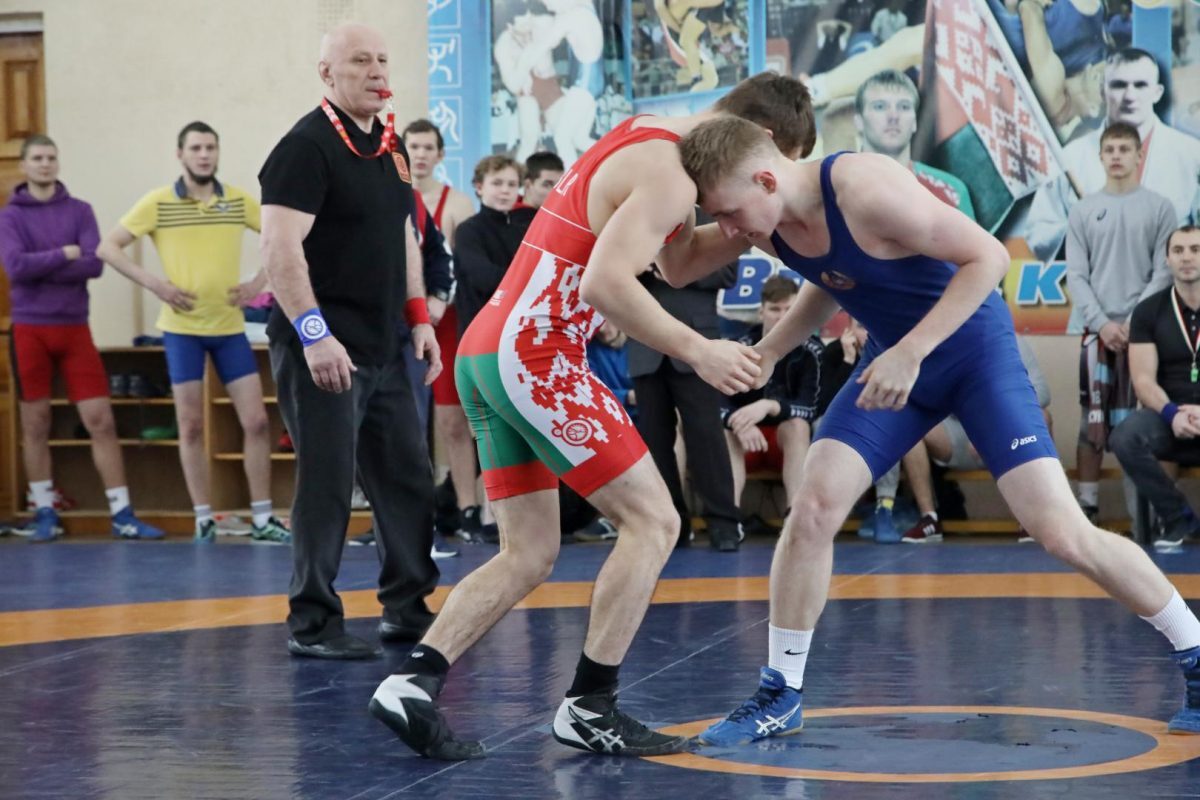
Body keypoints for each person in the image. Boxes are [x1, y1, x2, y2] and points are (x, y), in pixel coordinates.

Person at [675, 116, 1200, 745]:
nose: (729, 231)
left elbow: (989, 257)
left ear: (766, 179)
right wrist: (769, 350)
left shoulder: (865, 187)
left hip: (973, 358)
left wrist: (912, 350)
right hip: (896, 366)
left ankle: (1195, 649)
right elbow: (826, 279)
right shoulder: (769, 220)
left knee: (1062, 532)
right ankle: (781, 691)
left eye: (729, 213)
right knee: (812, 507)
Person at [368, 71, 817, 760]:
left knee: (528, 553)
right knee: (655, 521)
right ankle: (590, 704)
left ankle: (412, 683)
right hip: (536, 353)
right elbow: (604, 283)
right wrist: (699, 349)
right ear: (759, 137)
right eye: (772, 170)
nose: (767, 185)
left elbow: (675, 265)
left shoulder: (649, 139)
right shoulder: (670, 174)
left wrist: (762, 220)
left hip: (489, 351)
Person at [257, 23, 442, 659]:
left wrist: (419, 317)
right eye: (360, 60)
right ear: (327, 73)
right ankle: (312, 623)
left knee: (407, 478)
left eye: (382, 59)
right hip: (323, 347)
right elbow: (279, 249)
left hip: (384, 343)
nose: (376, 70)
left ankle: (407, 607)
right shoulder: (304, 148)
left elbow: (404, 236)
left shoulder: (391, 146)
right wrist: (315, 336)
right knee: (328, 482)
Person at [97, 122, 289, 544]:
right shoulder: (159, 203)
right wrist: (156, 285)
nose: (204, 155)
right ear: (180, 154)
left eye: (210, 148)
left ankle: (261, 519)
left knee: (257, 422)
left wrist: (259, 283)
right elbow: (107, 248)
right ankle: (204, 518)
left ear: (217, 153)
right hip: (182, 331)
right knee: (190, 425)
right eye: (196, 148)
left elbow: (283, 236)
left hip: (229, 329)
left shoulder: (236, 201)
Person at [0, 135, 164, 542]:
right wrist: (64, 254)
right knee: (35, 423)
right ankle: (44, 513)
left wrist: (51, 263)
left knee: (100, 420)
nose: (45, 164)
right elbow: (16, 268)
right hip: (30, 329)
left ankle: (122, 514)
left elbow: (93, 265)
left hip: (75, 329)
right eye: (38, 158)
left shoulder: (80, 210)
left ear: (58, 162)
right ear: (24, 165)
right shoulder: (11, 216)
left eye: (51, 157)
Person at [1065, 122, 1175, 522]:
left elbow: (1163, 273)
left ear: (1139, 155)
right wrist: (1103, 324)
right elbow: (1076, 274)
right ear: (1100, 156)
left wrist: (1133, 322)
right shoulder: (1083, 210)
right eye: (1109, 149)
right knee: (1090, 422)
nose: (1116, 156)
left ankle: (1143, 516)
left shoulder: (1160, 208)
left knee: (1140, 424)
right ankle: (1087, 507)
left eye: (1124, 149)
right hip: (1096, 334)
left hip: (1144, 336)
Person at [626, 213, 742, 552]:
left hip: (698, 343)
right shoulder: (639, 216)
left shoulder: (711, 216)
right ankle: (671, 523)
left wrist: (672, 269)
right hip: (645, 341)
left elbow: (727, 273)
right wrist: (640, 266)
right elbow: (615, 270)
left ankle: (724, 522)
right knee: (653, 440)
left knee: (706, 435)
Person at [1027, 48, 1200, 262]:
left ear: (1157, 92)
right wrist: (1080, 233)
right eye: (1119, 85)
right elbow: (1039, 233)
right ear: (1103, 91)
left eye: (1140, 85)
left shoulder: (1192, 155)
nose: (1130, 96)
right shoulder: (1071, 158)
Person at [450, 154, 537, 542]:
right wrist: (526, 284)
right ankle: (490, 513)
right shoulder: (469, 231)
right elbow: (483, 278)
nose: (504, 191)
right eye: (497, 183)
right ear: (479, 187)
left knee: (521, 427)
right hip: (484, 341)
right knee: (491, 428)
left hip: (523, 339)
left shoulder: (531, 225)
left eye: (511, 184)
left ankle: (518, 513)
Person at [403, 118, 479, 541]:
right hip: (401, 320)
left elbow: (461, 268)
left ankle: (466, 509)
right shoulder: (390, 198)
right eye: (413, 146)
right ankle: (401, 513)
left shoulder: (458, 204)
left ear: (440, 155)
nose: (420, 154)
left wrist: (436, 302)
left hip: (444, 321)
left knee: (452, 423)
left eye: (427, 147)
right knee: (402, 423)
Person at [900, 337, 1053, 543]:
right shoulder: (945, 342)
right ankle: (929, 518)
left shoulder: (1013, 341)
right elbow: (932, 396)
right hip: (959, 434)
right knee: (910, 424)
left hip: (1005, 432)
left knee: (1042, 416)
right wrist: (975, 423)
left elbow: (1042, 392)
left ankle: (1032, 519)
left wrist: (992, 422)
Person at [1111, 225, 1200, 552]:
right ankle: (1179, 517)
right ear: (1167, 260)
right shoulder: (1149, 311)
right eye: (1178, 251)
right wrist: (1172, 413)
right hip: (1169, 418)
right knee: (1124, 437)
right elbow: (1143, 380)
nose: (1186, 257)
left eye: (1195, 249)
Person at [723, 275, 822, 522]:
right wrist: (735, 422)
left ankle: (794, 518)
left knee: (798, 426)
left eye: (789, 309)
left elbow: (811, 408)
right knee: (725, 430)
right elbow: (716, 400)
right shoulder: (741, 348)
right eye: (775, 309)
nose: (782, 317)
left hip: (785, 445)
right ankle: (729, 521)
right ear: (761, 312)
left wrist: (770, 406)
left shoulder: (812, 350)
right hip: (744, 441)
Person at [854, 70, 975, 220]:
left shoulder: (951, 191)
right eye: (880, 106)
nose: (893, 116)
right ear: (859, 121)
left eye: (904, 107)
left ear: (915, 122)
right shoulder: (834, 185)